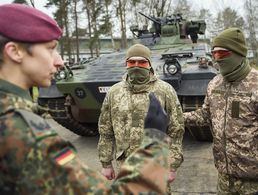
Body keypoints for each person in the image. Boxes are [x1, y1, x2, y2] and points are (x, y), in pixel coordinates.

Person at [0, 4, 171, 194]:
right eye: (50, 49)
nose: (60, 61)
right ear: (15, 52)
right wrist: (154, 142)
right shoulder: (24, 132)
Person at [97, 44, 184, 187]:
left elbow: (176, 130)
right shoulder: (114, 92)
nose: (136, 66)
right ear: (126, 65)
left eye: (142, 62)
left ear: (149, 65)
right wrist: (106, 163)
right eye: (131, 62)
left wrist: (172, 165)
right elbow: (105, 129)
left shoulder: (165, 90)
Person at [184, 27, 258, 194]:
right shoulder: (215, 84)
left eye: (222, 54)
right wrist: (175, 117)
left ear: (238, 52)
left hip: (254, 182)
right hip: (224, 178)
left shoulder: (256, 84)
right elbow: (205, 115)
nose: (217, 59)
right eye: (214, 54)